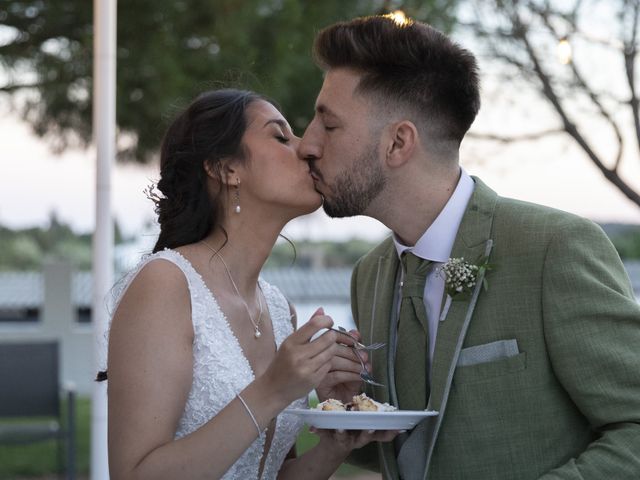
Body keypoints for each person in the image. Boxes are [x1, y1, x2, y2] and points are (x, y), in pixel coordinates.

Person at [300, 14, 640, 480]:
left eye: (329, 126)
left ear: (398, 142)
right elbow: (410, 451)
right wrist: (346, 408)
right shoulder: (370, 274)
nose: (307, 145)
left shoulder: (553, 248)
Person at [102, 88, 396, 480]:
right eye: (280, 136)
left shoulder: (278, 308)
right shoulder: (166, 285)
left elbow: (271, 472)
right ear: (226, 169)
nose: (307, 147)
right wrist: (275, 388)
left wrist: (338, 439)